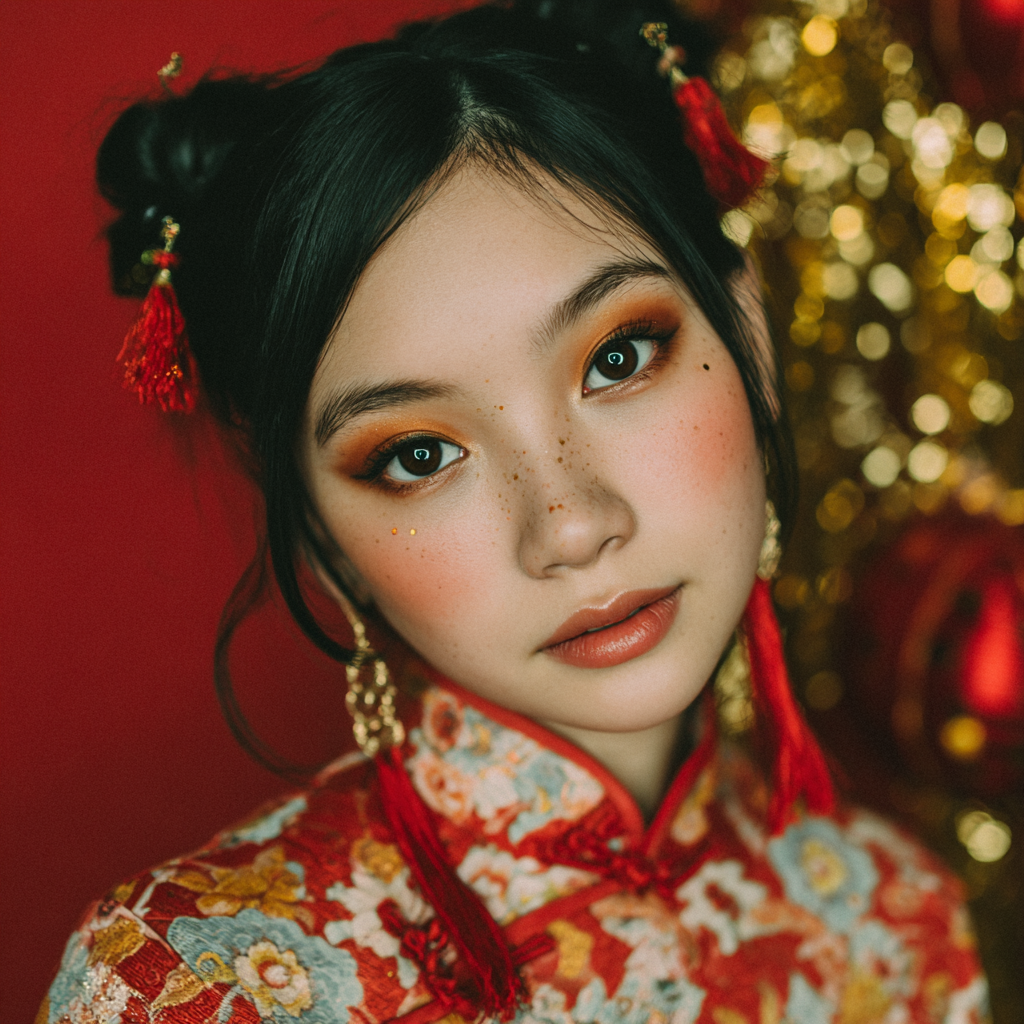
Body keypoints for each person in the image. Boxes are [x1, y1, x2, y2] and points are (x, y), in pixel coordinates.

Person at [40, 3, 989, 1022]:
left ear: (745, 333)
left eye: (618, 358)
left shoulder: (889, 924)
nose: (571, 526)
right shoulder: (191, 985)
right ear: (318, 528)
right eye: (417, 454)